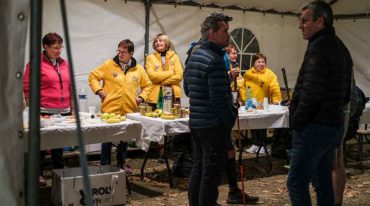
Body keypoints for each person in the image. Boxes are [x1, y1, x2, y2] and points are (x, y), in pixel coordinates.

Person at [287, 1, 353, 206]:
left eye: (305, 21)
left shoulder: (319, 48)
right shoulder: (340, 46)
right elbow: (346, 92)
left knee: (296, 183)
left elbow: (312, 94)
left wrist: (297, 121)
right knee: (323, 182)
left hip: (314, 127)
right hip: (331, 125)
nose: (301, 25)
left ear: (320, 21)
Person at [184, 12, 237, 206]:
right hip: (212, 125)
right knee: (211, 173)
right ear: (212, 33)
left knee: (199, 168)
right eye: (225, 31)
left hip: (197, 123)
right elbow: (219, 100)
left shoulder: (194, 55)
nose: (228, 35)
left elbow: (188, 90)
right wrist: (230, 118)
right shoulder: (214, 60)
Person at [88, 39, 152, 169]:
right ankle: (104, 165)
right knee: (106, 140)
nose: (120, 54)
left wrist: (141, 98)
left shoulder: (138, 69)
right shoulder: (108, 65)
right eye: (119, 51)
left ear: (131, 53)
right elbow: (92, 76)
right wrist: (99, 91)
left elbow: (148, 85)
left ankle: (121, 164)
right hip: (109, 110)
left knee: (124, 140)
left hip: (128, 111)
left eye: (124, 52)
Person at [23, 32, 71, 185]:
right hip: (44, 111)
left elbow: (69, 86)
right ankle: (37, 174)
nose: (59, 51)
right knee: (41, 147)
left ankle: (59, 173)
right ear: (45, 47)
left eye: (60, 47)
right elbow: (27, 87)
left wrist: (73, 109)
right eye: (55, 48)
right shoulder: (35, 63)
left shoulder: (63, 63)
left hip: (63, 111)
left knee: (58, 146)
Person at [224, 45, 259, 204]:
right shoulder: (218, 61)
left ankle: (233, 190)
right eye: (231, 52)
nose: (234, 55)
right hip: (218, 114)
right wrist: (229, 77)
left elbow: (240, 86)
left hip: (229, 106)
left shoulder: (235, 66)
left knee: (230, 150)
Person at [145, 33, 183, 162]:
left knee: (173, 121)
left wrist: (163, 80)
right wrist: (170, 73)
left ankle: (173, 149)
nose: (157, 43)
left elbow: (179, 76)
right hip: (156, 95)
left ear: (166, 43)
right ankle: (161, 152)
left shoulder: (175, 56)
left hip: (172, 94)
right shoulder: (150, 58)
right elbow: (152, 76)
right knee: (158, 123)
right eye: (156, 41)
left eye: (160, 41)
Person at [241, 53, 282, 154]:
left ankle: (262, 145)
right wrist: (244, 99)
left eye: (263, 62)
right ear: (254, 63)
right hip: (250, 103)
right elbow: (242, 87)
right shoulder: (248, 74)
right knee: (253, 124)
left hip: (263, 104)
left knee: (262, 125)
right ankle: (255, 144)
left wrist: (276, 99)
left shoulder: (270, 74)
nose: (261, 64)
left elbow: (275, 88)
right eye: (258, 62)